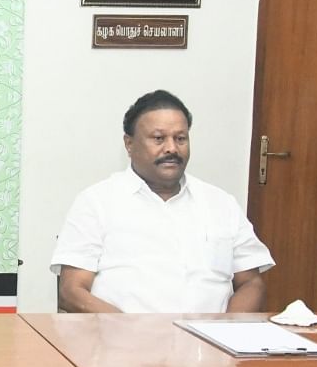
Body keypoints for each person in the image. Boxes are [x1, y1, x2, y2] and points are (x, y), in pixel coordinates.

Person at [52, 90, 273, 313]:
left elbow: (250, 282)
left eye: (180, 138)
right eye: (158, 138)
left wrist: (228, 332)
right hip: (122, 341)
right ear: (129, 144)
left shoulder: (221, 204)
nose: (171, 148)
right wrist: (126, 329)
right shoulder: (97, 202)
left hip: (207, 343)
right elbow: (72, 290)